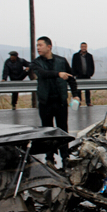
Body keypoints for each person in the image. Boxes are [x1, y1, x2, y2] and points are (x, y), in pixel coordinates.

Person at [31, 36, 80, 170]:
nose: (38, 48)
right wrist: (58, 74)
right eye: (37, 45)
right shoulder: (36, 63)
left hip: (60, 102)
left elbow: (71, 79)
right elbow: (42, 74)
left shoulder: (61, 61)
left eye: (40, 45)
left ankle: (65, 157)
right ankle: (49, 158)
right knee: (47, 131)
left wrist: (75, 95)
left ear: (49, 47)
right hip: (45, 102)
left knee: (63, 130)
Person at [71, 42, 95, 106]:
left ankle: (88, 102)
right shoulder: (76, 56)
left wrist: (90, 73)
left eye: (85, 46)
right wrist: (75, 74)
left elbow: (92, 66)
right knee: (78, 90)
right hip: (79, 75)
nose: (83, 48)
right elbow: (73, 65)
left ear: (86, 47)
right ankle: (79, 102)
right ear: (80, 47)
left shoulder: (89, 56)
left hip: (87, 75)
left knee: (87, 90)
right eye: (82, 46)